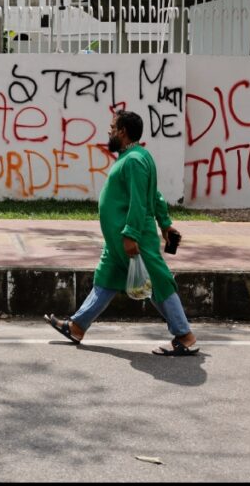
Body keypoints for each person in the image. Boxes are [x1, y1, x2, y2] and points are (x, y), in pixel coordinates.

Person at [44, 110, 199, 356]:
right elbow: (155, 195)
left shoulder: (134, 161)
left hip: (133, 238)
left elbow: (140, 201)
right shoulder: (134, 156)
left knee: (158, 281)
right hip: (118, 241)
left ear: (122, 131)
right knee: (106, 277)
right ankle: (77, 326)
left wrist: (131, 234)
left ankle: (185, 335)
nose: (109, 131)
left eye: (112, 127)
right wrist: (166, 224)